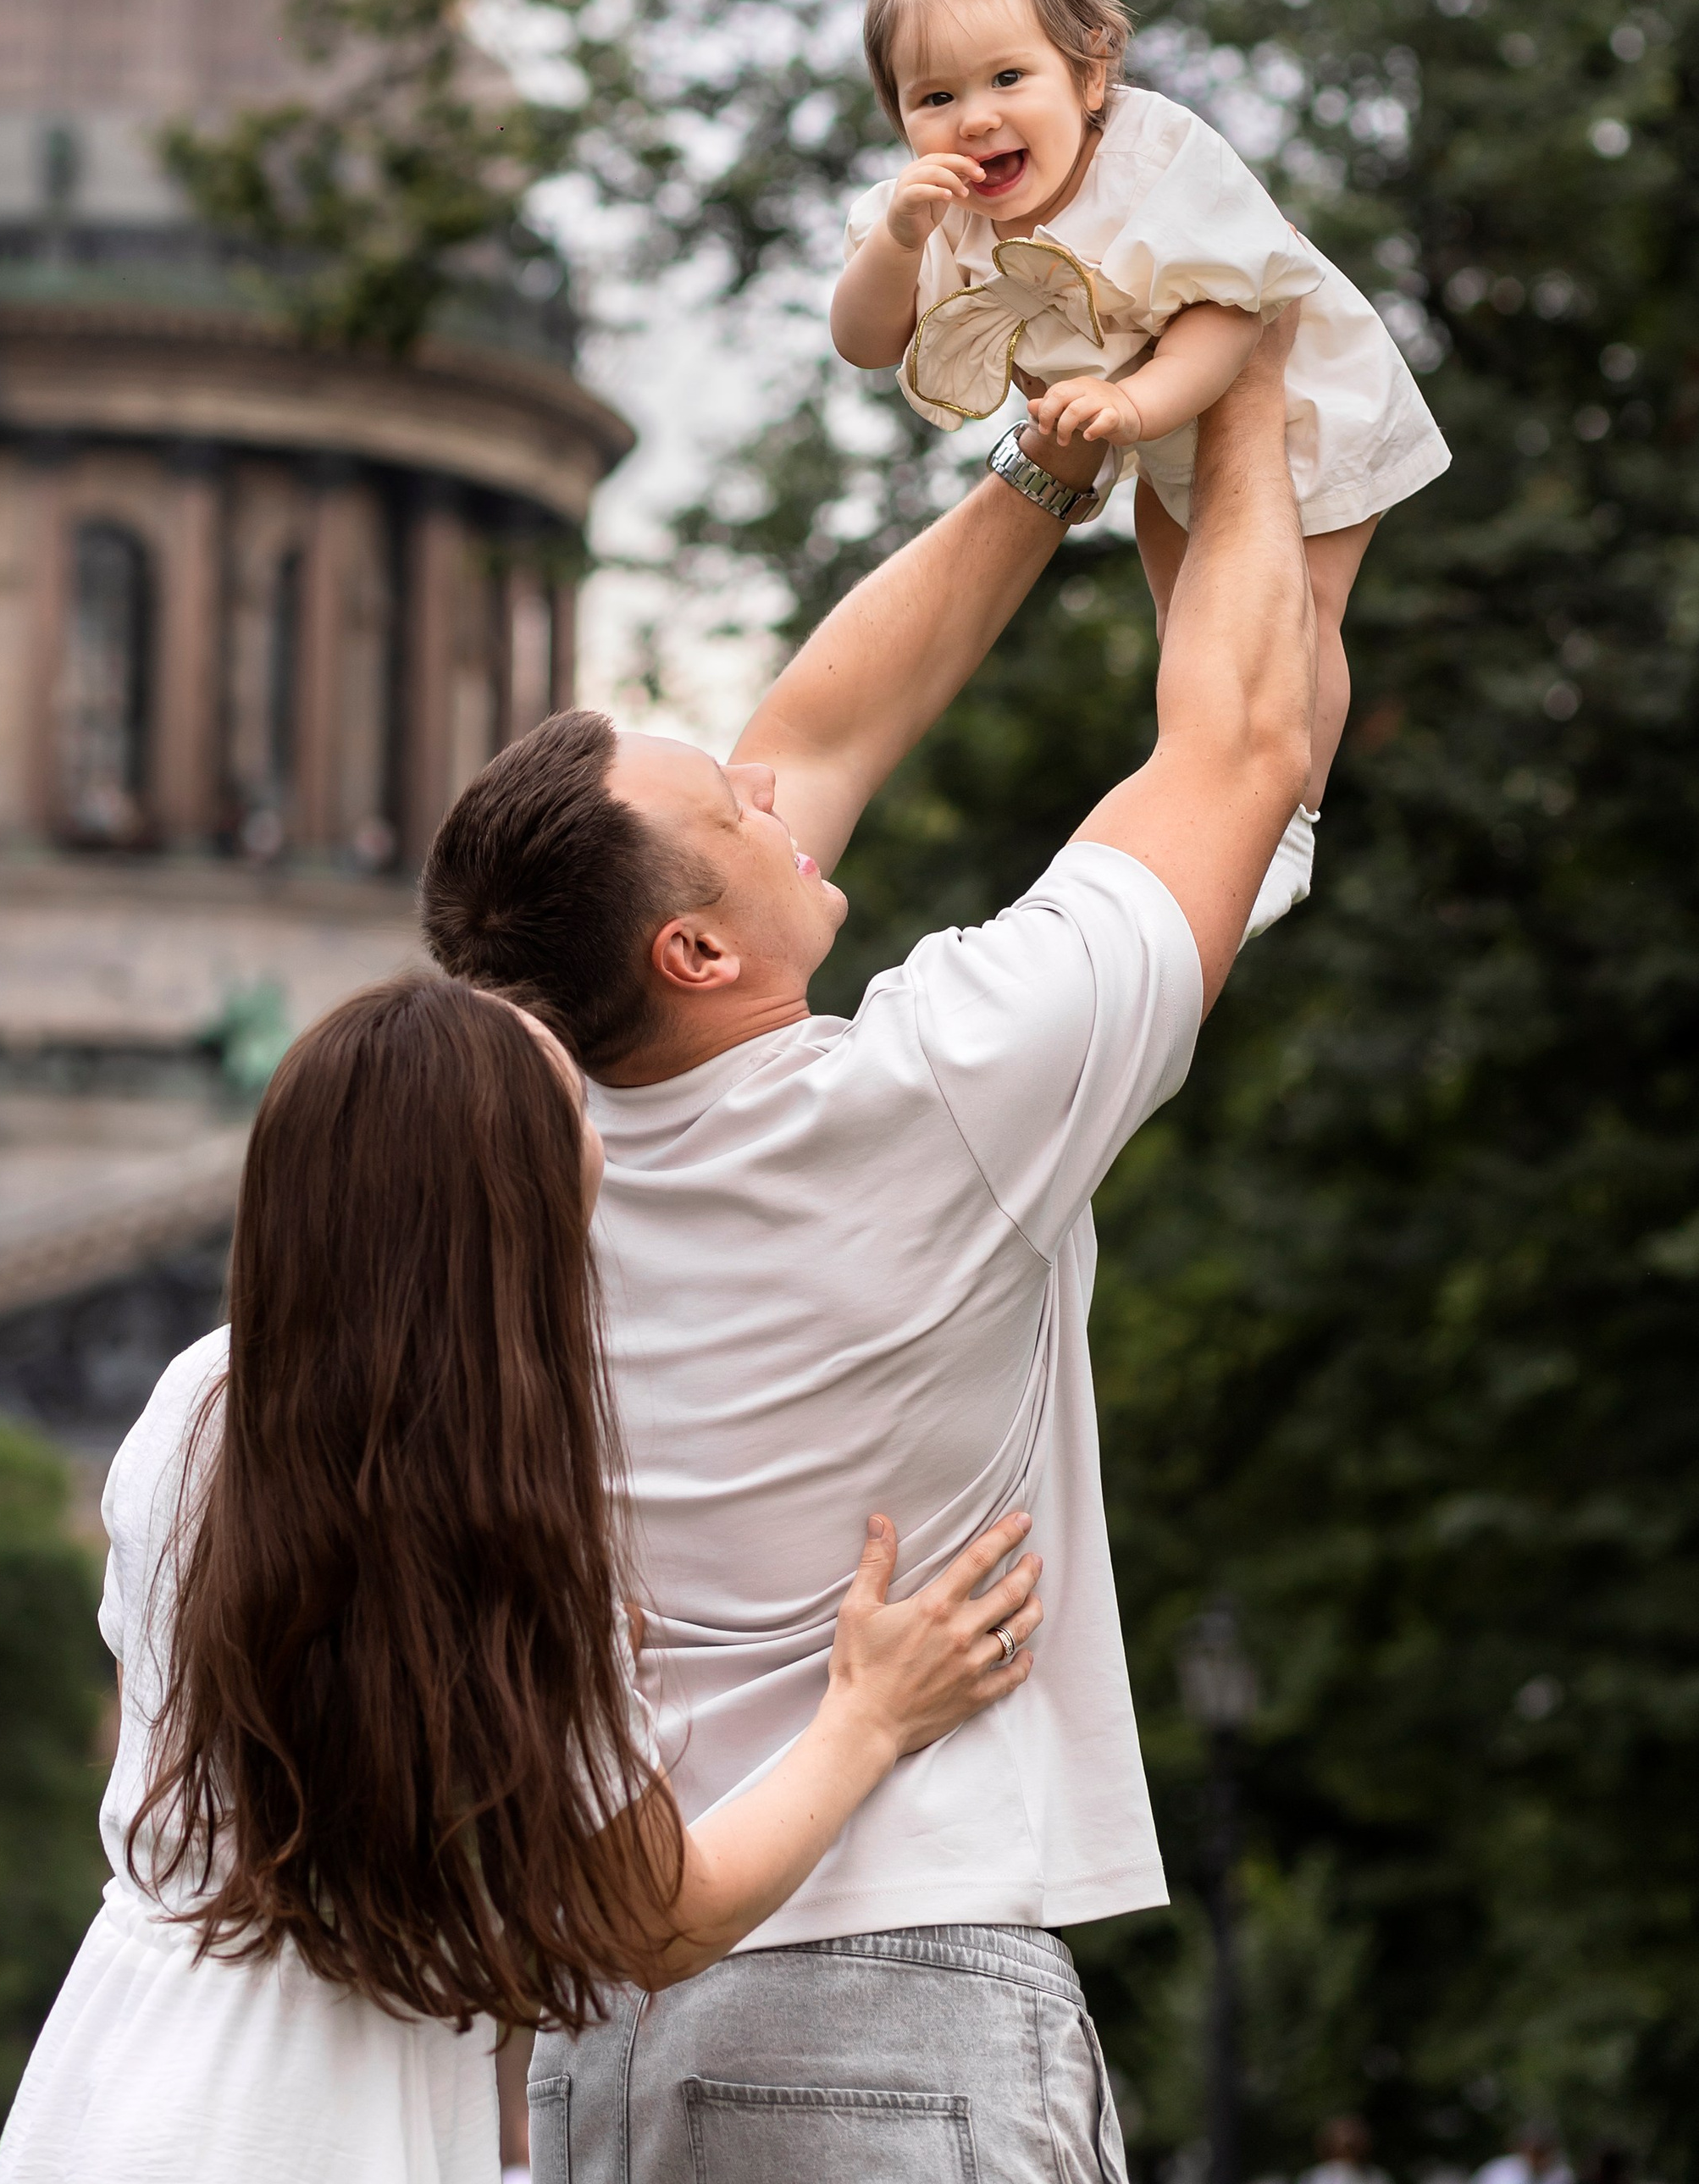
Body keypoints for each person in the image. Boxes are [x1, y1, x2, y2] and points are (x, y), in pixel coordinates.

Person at [421, 325, 1317, 2182]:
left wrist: (1044, 471)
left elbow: (816, 736)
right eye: (720, 807)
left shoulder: (514, 1181)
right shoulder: (937, 1096)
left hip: (611, 2015)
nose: (760, 789)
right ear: (688, 953)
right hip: (889, 1981)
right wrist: (1222, 369)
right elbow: (1239, 741)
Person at [0, 976, 1045, 2184]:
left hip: (114, 2061)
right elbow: (662, 1916)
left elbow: (159, 1717)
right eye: (583, 1118)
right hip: (327, 2109)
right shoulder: (508, 1513)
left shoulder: (195, 1403)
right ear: (523, 1203)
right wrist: (869, 1715)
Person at [830, 0, 1446, 929]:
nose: (973, 118)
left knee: (1292, 611)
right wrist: (894, 241)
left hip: (1301, 405)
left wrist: (1130, 397)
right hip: (1166, 439)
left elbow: (1228, 316)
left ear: (1091, 69)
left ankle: (1288, 814)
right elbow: (864, 340)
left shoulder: (1155, 161)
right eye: (932, 95)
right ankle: (1213, 798)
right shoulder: (929, 212)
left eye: (1007, 79)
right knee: (1192, 633)